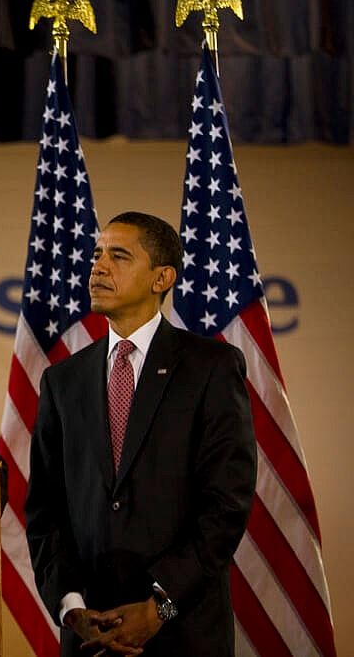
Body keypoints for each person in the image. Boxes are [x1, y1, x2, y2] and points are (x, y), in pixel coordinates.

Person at [24, 211, 257, 656]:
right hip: (91, 637)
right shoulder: (63, 381)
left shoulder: (210, 368)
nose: (99, 266)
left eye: (119, 256)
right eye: (96, 255)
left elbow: (226, 505)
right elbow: (45, 511)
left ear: (161, 277)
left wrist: (158, 608)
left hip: (180, 631)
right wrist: (72, 608)